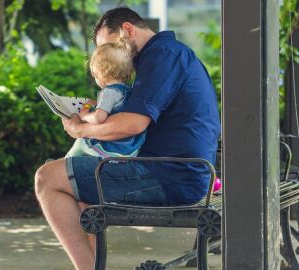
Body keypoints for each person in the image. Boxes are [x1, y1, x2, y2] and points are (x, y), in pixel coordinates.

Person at [34, 7, 220, 270]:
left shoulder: (162, 55)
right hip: (181, 170)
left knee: (47, 178)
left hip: (172, 175)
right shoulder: (166, 55)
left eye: (108, 47)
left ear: (128, 30)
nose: (107, 57)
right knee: (80, 187)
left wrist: (80, 131)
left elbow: (132, 124)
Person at [66, 38, 146, 158]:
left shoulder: (109, 92)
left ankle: (65, 162)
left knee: (81, 141)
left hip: (115, 149)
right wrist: (92, 104)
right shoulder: (128, 90)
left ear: (100, 73)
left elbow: (99, 118)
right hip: (130, 147)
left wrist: (84, 115)